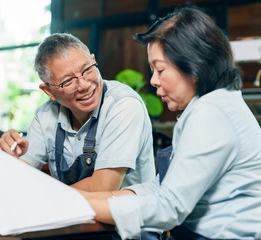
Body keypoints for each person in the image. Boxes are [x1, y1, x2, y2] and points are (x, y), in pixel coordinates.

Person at [80, 7, 261, 239]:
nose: (153, 80)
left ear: (195, 65)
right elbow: (161, 187)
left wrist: (76, 206)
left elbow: (168, 206)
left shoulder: (212, 113)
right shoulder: (207, 106)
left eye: (160, 69)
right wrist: (80, 200)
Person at [0, 33, 156, 192]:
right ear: (49, 91)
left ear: (93, 60)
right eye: (68, 81)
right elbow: (16, 175)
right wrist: (8, 157)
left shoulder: (123, 105)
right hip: (71, 214)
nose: (84, 85)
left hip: (127, 216)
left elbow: (104, 187)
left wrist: (44, 197)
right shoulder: (45, 116)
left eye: (87, 69)